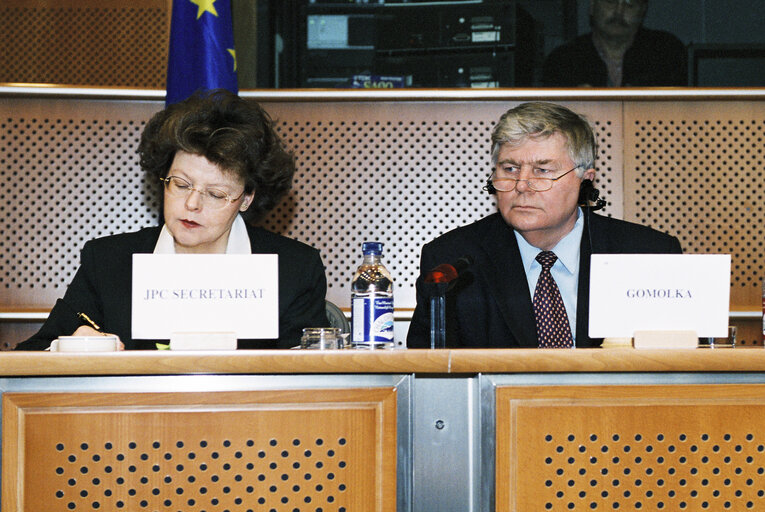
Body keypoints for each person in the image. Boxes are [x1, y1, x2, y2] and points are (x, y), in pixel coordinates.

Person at [17, 90, 328, 350]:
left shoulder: (293, 271)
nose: (191, 204)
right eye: (180, 185)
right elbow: (30, 356)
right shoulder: (109, 264)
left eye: (216, 194)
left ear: (246, 198)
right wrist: (67, 346)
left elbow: (312, 377)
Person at [407, 102, 682, 349]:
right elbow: (430, 377)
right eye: (510, 169)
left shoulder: (647, 255)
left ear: (584, 179)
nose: (522, 185)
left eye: (542, 170)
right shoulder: (452, 262)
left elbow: (676, 371)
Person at [542, 0, 687, 87]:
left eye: (630, 4)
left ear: (643, 11)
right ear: (592, 6)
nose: (619, 11)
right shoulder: (563, 59)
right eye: (610, 1)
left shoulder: (666, 52)